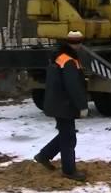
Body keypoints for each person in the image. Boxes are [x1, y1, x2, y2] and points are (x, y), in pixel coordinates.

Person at [34, 30, 89, 181]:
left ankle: (44, 156)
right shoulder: (70, 61)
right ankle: (69, 171)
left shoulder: (59, 57)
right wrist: (82, 106)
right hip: (64, 104)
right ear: (78, 44)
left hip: (57, 102)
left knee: (66, 134)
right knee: (69, 138)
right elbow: (73, 86)